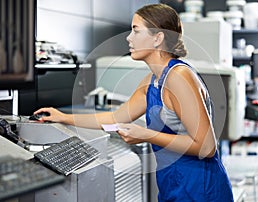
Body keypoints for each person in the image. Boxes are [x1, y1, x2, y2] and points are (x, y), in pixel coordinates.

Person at [34, 3, 234, 201]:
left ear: (158, 38)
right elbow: (115, 117)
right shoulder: (152, 81)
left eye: (136, 31)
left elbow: (207, 148)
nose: (129, 38)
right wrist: (63, 117)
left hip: (201, 188)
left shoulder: (179, 77)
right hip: (173, 184)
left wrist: (147, 135)